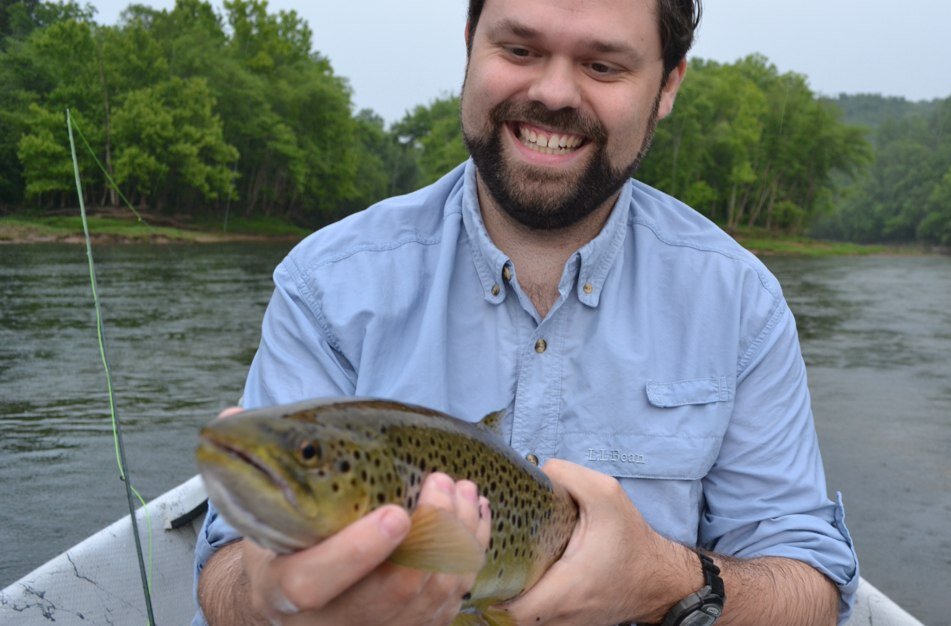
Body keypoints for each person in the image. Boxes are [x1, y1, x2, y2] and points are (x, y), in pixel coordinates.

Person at [193, 0, 859, 624]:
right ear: (469, 45)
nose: (554, 92)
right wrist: (267, 600)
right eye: (519, 48)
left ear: (668, 86)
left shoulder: (740, 302)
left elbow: (811, 586)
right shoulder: (326, 286)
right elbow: (225, 569)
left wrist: (670, 579)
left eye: (603, 65)